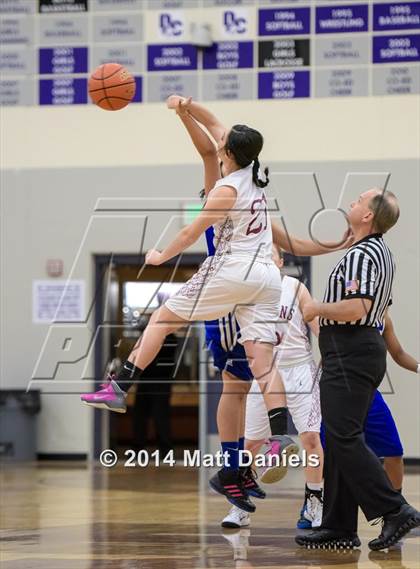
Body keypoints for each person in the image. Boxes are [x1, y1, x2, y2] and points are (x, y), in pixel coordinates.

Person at [82, 98, 301, 514]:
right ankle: (277, 435)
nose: (216, 151)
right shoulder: (253, 172)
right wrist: (185, 109)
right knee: (261, 365)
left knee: (163, 319)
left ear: (228, 155)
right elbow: (212, 136)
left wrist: (160, 257)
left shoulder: (222, 190)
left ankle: (120, 386)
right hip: (266, 280)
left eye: (221, 150)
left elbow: (190, 230)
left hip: (231, 277)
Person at [296, 189, 420, 551]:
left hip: (351, 351)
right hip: (355, 353)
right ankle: (338, 526)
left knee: (343, 436)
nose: (352, 201)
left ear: (369, 216)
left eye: (359, 200)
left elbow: (357, 307)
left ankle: (395, 510)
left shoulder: (365, 254)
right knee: (338, 437)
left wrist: (315, 308)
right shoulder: (375, 252)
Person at [222, 246, 323, 531]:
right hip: (266, 373)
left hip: (300, 370)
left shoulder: (295, 287)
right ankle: (239, 505)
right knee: (251, 444)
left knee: (311, 439)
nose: (266, 260)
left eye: (271, 256)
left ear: (280, 261)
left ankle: (315, 501)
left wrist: (331, 358)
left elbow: (318, 328)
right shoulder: (247, 292)